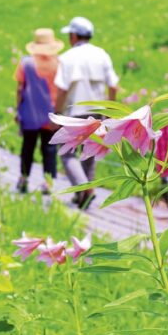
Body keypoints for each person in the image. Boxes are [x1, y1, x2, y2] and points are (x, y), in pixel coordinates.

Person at [53, 17, 119, 209]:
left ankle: (85, 189)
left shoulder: (67, 57)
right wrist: (110, 111)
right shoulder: (102, 55)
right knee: (90, 151)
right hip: (97, 113)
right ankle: (83, 195)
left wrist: (57, 113)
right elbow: (113, 85)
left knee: (67, 154)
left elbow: (62, 89)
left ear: (73, 36)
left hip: (73, 112)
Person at [15, 28, 64, 194]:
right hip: (50, 113)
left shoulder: (25, 63)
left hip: (29, 113)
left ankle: (23, 178)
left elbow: (20, 88)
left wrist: (18, 110)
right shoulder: (58, 64)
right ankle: (48, 182)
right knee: (49, 149)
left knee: (27, 147)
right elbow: (62, 90)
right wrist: (59, 113)